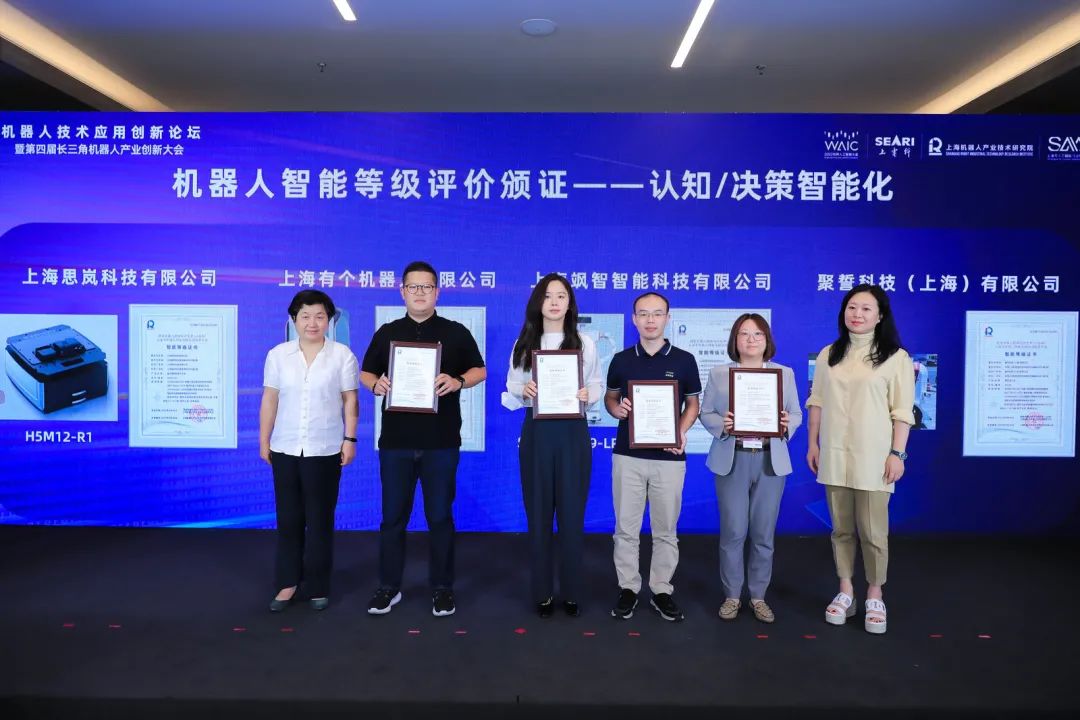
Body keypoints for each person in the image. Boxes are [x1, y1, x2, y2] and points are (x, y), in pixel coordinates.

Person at [360, 261, 487, 618]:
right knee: (392, 518)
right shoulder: (388, 333)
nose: (420, 293)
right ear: (402, 291)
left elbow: (480, 370)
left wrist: (459, 381)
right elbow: (366, 372)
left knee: (440, 517)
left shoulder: (455, 332)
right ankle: (388, 586)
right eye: (413, 287)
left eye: (426, 287)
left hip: (441, 442)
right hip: (396, 442)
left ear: (437, 292)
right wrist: (375, 384)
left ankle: (442, 588)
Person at [805, 284, 914, 635]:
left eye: (866, 308)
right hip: (834, 454)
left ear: (880, 315)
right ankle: (846, 590)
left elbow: (902, 412)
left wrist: (897, 453)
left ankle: (875, 594)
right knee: (840, 529)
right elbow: (817, 402)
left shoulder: (896, 357)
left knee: (873, 531)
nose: (857, 314)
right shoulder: (830, 354)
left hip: (875, 457)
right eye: (852, 307)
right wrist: (812, 444)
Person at [503, 273, 602, 617]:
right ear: (538, 303)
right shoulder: (524, 342)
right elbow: (512, 386)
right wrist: (524, 390)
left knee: (572, 515)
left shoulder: (585, 342)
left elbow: (597, 383)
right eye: (548, 296)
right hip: (537, 432)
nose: (555, 302)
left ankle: (572, 591)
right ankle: (542, 592)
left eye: (562, 295)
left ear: (570, 303)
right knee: (539, 513)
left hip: (573, 432)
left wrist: (589, 394)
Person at [260, 289, 359, 612]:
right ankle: (287, 583)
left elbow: (350, 400)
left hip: (325, 448)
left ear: (329, 320)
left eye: (319, 316)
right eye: (305, 316)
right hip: (285, 447)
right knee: (288, 519)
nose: (312, 323)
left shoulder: (342, 355)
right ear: (294, 319)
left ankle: (317, 584)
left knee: (320, 520)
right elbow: (270, 399)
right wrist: (264, 440)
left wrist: (350, 439)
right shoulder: (278, 355)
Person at [604, 292, 700, 622]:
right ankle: (628, 587)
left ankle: (661, 590)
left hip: (669, 458)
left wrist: (681, 431)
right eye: (643, 314)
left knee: (666, 529)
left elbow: (693, 404)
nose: (650, 320)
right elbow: (611, 398)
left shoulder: (685, 360)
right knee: (625, 528)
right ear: (634, 319)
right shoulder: (621, 360)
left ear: (667, 318)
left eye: (657, 313)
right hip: (627, 455)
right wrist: (617, 409)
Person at [699, 314, 801, 624]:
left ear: (767, 339)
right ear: (735, 340)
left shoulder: (784, 374)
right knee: (733, 531)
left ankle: (758, 597)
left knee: (763, 533)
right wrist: (724, 424)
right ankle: (732, 595)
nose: (751, 339)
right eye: (744, 334)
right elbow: (706, 413)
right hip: (733, 458)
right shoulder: (719, 374)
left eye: (758, 334)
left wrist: (786, 424)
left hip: (770, 459)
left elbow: (796, 413)